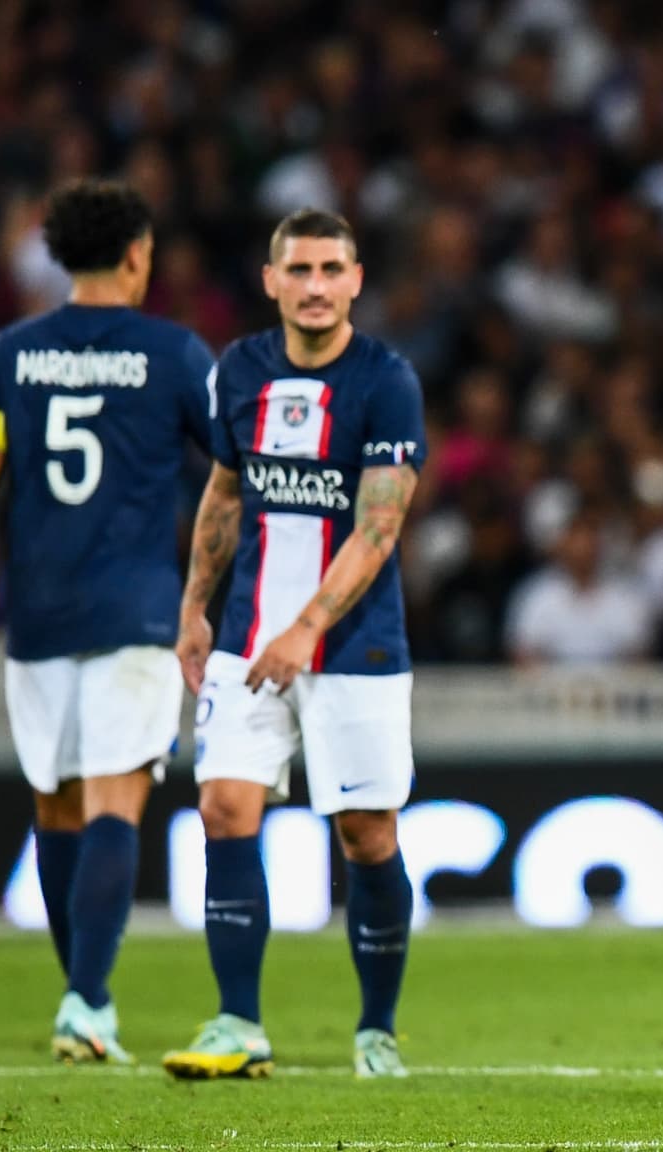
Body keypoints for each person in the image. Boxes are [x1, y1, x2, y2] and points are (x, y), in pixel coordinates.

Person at [0, 179, 215, 1063]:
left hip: (39, 614)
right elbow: (237, 469)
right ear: (137, 254)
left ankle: (81, 1002)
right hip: (137, 610)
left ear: (61, 257)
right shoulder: (177, 356)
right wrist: (208, 597)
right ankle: (87, 1002)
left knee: (57, 811)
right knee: (113, 807)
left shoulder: (6, 358)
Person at [166, 208, 427, 1080]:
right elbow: (226, 490)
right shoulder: (237, 370)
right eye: (299, 270)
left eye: (332, 269)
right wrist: (196, 606)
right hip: (245, 639)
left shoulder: (386, 382)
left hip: (354, 645)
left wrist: (308, 626)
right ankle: (237, 1022)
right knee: (224, 809)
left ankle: (376, 1029)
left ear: (356, 280)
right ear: (270, 280)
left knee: (365, 832)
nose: (315, 286)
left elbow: (380, 526)